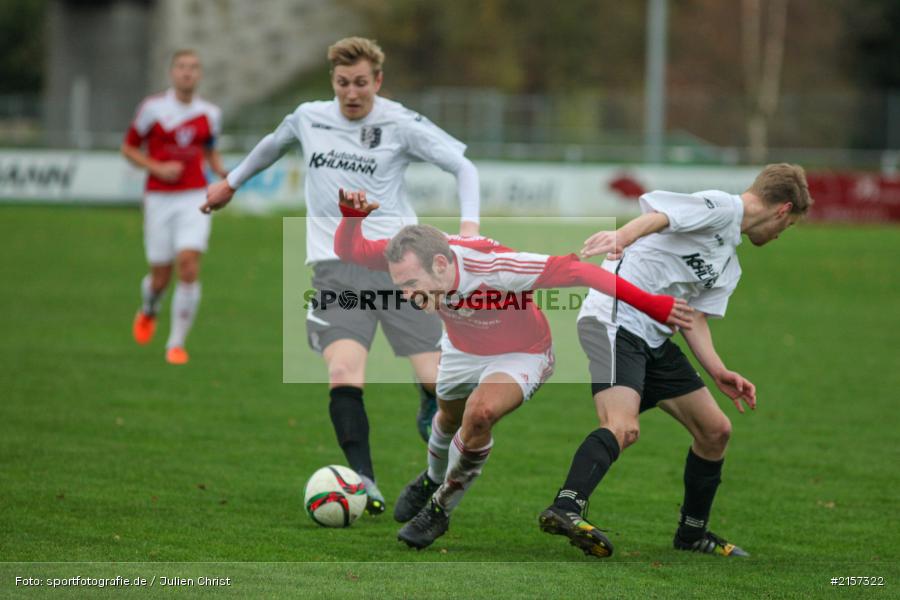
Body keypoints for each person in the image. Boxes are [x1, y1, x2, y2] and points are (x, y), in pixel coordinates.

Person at [200, 37, 481, 514]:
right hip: (336, 270)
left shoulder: (399, 122)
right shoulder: (309, 117)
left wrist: (469, 229)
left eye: (361, 83)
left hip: (400, 268)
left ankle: (426, 399)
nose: (352, 93)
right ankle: (363, 481)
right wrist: (230, 183)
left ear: (378, 81)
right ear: (333, 81)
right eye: (343, 83)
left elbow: (462, 165)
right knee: (343, 371)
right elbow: (272, 145)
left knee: (442, 386)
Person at [334, 188, 694, 550]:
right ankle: (431, 476)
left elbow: (582, 272)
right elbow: (351, 251)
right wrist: (351, 218)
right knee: (447, 417)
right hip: (461, 348)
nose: (407, 295)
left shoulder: (496, 267)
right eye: (400, 286)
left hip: (521, 352)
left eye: (412, 285)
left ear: (441, 265)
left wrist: (654, 305)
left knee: (480, 414)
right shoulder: (410, 255)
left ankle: (439, 508)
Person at [539, 163, 813, 558]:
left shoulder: (729, 264)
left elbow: (693, 317)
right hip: (614, 318)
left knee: (715, 431)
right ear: (783, 210)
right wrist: (621, 236)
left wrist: (718, 370)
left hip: (652, 338)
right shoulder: (722, 207)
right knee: (622, 426)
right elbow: (659, 217)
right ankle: (565, 507)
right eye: (787, 226)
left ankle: (691, 534)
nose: (779, 234)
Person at [123, 49, 226, 365]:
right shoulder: (152, 109)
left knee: (189, 264)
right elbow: (128, 148)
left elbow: (209, 150)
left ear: (200, 74)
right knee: (160, 277)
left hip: (194, 197)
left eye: (193, 67)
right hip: (158, 198)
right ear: (172, 72)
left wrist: (223, 174)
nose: (187, 72)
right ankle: (149, 308)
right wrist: (157, 167)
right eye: (181, 67)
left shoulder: (210, 113)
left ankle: (176, 344)